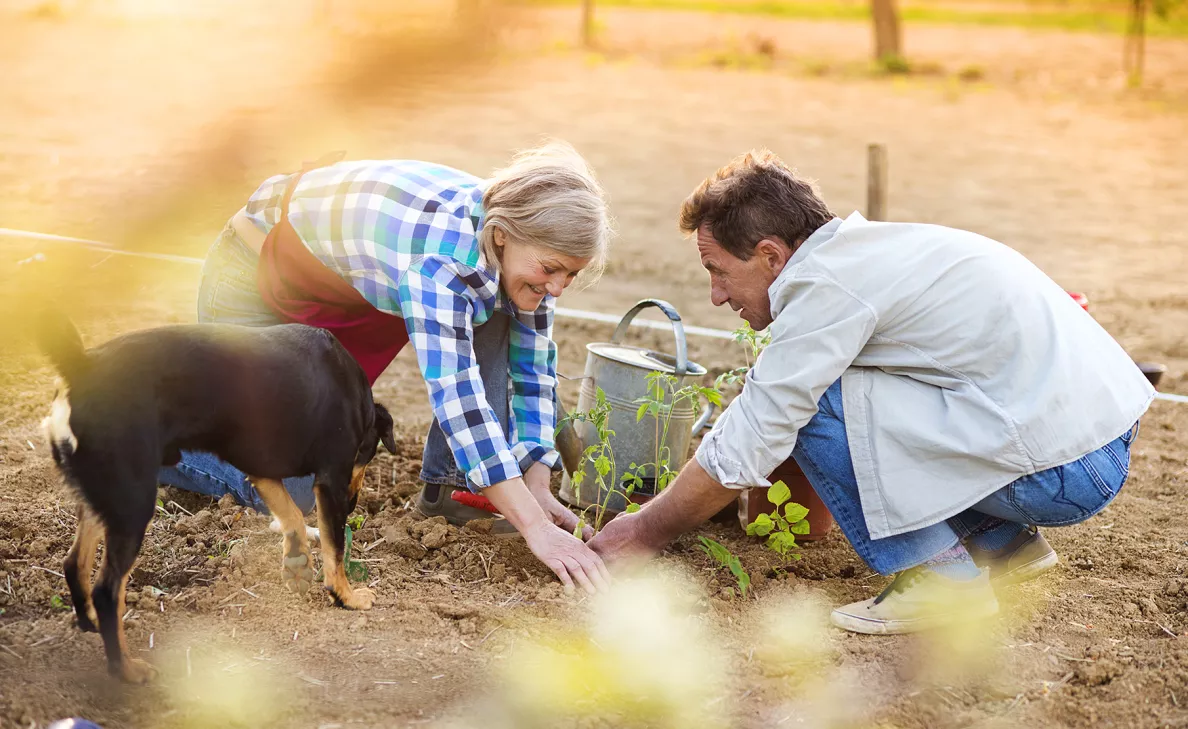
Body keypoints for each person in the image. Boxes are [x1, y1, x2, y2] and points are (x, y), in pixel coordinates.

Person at [589, 150, 1154, 632]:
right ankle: (1001, 543)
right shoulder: (867, 254)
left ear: (770, 255)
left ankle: (939, 579)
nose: (716, 296)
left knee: (812, 403)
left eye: (717, 270)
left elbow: (761, 427)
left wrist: (643, 530)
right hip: (1090, 442)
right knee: (837, 390)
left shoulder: (825, 285)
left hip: (1066, 470)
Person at [159, 141, 613, 594]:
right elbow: (458, 397)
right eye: (552, 269)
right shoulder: (442, 264)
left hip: (340, 289)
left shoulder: (517, 245)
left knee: (504, 304)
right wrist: (534, 527)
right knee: (295, 480)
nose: (557, 288)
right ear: (501, 235)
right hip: (255, 280)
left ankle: (455, 491)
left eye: (571, 275)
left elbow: (533, 369)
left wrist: (536, 482)